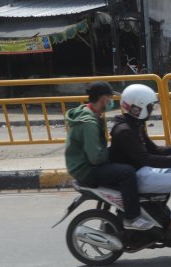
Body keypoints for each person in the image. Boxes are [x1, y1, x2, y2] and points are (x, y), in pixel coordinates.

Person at [109, 84, 171, 243]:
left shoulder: (134, 124)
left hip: (146, 170)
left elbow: (154, 150)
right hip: (137, 176)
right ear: (138, 107)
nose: (151, 110)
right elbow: (147, 159)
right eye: (149, 106)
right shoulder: (124, 130)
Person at [65, 81, 154, 231]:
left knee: (125, 165)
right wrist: (114, 152)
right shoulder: (89, 123)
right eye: (109, 98)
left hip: (85, 163)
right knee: (127, 172)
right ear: (102, 99)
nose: (111, 102)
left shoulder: (92, 113)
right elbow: (96, 157)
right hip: (85, 169)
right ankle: (132, 217)